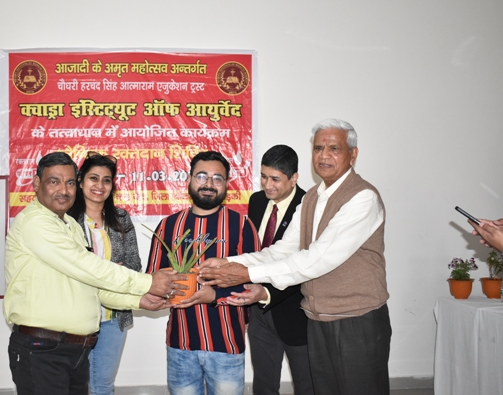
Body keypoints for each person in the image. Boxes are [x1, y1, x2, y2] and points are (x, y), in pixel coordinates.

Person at [199, 119, 391, 395]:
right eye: (318, 148)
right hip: (317, 318)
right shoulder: (312, 197)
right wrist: (230, 263)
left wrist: (246, 273)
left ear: (353, 154)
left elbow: (317, 259)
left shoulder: (362, 198)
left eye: (334, 148)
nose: (324, 155)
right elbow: (283, 249)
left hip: (355, 319)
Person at [4, 151, 186, 395]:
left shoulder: (69, 225)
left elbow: (89, 286)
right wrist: (146, 283)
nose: (64, 190)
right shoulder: (35, 221)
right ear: (37, 183)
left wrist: (138, 301)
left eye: (69, 183)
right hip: (42, 350)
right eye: (54, 181)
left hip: (72, 349)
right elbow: (86, 266)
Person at [145, 150, 260, 395]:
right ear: (189, 179)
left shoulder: (241, 225)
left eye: (217, 178)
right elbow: (152, 280)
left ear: (227, 184)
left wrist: (214, 295)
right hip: (180, 345)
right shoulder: (168, 226)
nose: (209, 184)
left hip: (227, 344)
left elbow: (255, 281)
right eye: (201, 176)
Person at [241, 145, 314, 395]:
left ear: (294, 178)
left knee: (307, 385)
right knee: (264, 384)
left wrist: (268, 292)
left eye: (275, 179)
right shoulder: (257, 201)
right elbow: (254, 251)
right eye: (263, 176)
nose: (267, 185)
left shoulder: (308, 206)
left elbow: (305, 264)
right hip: (259, 311)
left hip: (296, 311)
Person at [65, 151, 140, 395]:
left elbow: (134, 265)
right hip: (74, 316)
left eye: (106, 180)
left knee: (103, 386)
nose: (100, 185)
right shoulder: (66, 220)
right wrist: (110, 271)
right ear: (80, 181)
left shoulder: (121, 218)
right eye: (93, 178)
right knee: (73, 386)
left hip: (113, 318)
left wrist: (107, 273)